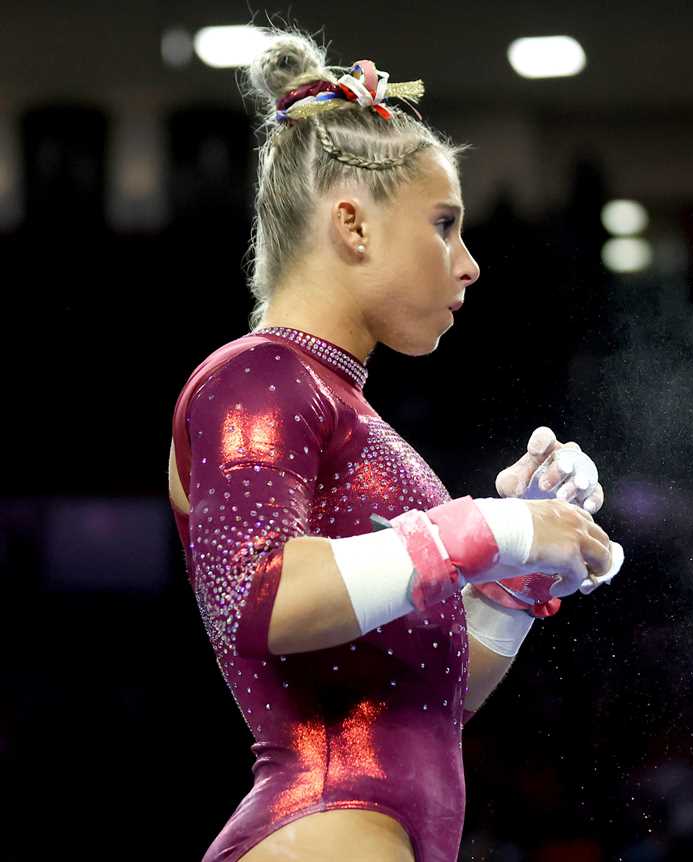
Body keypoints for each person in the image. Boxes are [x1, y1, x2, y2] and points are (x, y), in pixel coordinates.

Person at [165, 29, 622, 862]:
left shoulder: (360, 421)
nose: (469, 264)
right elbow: (261, 598)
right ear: (353, 225)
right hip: (322, 822)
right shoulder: (257, 379)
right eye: (445, 225)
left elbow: (428, 697)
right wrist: (494, 530)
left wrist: (515, 586)